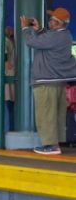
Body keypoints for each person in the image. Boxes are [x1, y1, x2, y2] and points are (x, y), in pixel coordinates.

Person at [20, 8, 76, 155]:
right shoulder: (66, 35)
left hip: (46, 81)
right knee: (56, 114)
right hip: (57, 81)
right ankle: (55, 144)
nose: (49, 21)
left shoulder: (54, 37)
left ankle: (51, 146)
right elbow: (47, 41)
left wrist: (25, 27)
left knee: (45, 114)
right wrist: (40, 30)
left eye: (52, 20)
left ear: (58, 23)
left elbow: (31, 42)